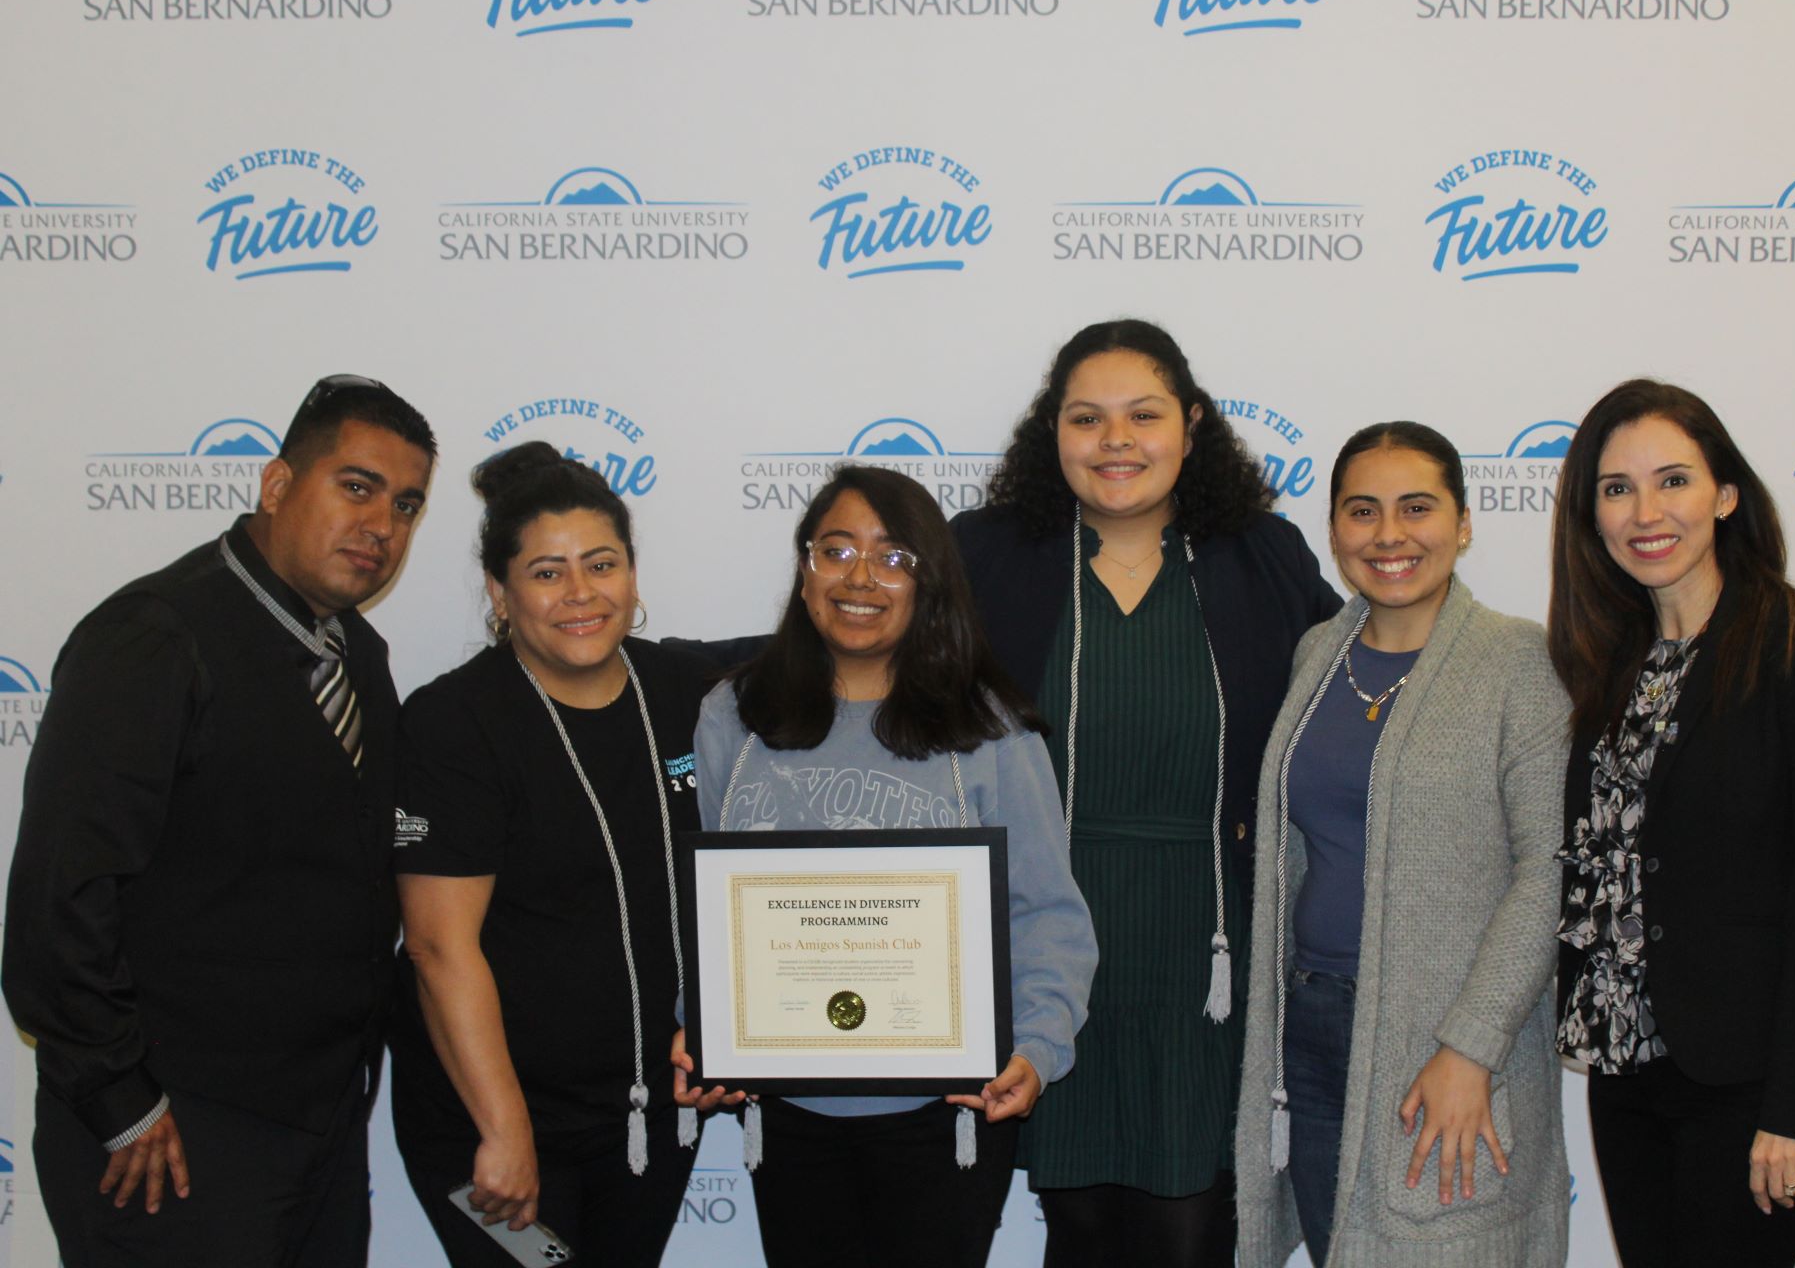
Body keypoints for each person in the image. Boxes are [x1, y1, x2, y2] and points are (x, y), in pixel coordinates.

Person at [3, 375, 436, 1268]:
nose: (382, 527)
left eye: (405, 505)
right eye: (354, 487)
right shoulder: (157, 637)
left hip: (316, 1128)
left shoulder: (358, 652)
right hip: (171, 1139)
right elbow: (61, 896)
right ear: (277, 485)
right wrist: (120, 1099)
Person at [953, 319, 1340, 1267]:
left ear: (1192, 424)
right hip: (1049, 944)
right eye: (1087, 418)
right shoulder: (985, 554)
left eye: (1143, 415)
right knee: (1077, 1220)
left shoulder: (1264, 556)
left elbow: (1362, 682)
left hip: (1208, 946)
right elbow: (869, 663)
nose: (1115, 440)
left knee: (1193, 1223)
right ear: (1053, 434)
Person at [688, 464, 1097, 1268]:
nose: (861, 578)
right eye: (835, 551)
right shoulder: (734, 716)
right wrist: (699, 1023)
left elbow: (1047, 911)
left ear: (928, 583)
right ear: (805, 573)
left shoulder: (991, 730)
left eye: (893, 557)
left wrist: (1038, 1047)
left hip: (943, 1112)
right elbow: (704, 907)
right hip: (788, 1108)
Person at [1548, 379, 1795, 1267]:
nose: (1644, 512)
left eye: (1673, 481)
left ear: (1725, 495)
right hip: (1624, 1076)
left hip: (1748, 1083)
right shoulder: (1601, 661)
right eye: (1616, 489)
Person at [1234, 421, 1570, 1267]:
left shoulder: (1518, 662)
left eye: (1416, 508)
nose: (1389, 535)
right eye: (1362, 511)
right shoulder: (1320, 653)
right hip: (1310, 1026)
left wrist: (1471, 1046)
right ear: (1335, 530)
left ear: (1462, 523)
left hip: (1444, 1039)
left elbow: (1550, 871)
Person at [387, 442, 722, 1265]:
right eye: (546, 573)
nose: (580, 594)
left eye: (601, 564)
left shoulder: (686, 691)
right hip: (489, 1129)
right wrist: (504, 1133)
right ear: (500, 595)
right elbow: (437, 947)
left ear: (633, 576)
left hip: (648, 1120)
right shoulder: (455, 724)